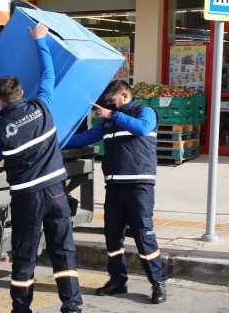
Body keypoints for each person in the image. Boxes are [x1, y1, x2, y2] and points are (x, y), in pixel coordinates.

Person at [0, 23, 82, 313]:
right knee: (64, 251)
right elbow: (49, 75)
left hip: (27, 198)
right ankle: (72, 306)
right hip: (57, 193)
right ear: (21, 92)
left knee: (25, 254)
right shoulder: (42, 106)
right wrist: (40, 40)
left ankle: (21, 309)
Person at [66, 79, 167, 304]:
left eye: (112, 102)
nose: (109, 106)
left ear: (124, 96)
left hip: (139, 187)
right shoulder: (109, 121)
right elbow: (84, 139)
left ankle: (158, 281)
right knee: (113, 237)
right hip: (114, 187)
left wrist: (112, 115)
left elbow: (142, 128)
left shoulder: (145, 112)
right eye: (107, 104)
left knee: (144, 236)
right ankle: (118, 280)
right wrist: (55, 138)